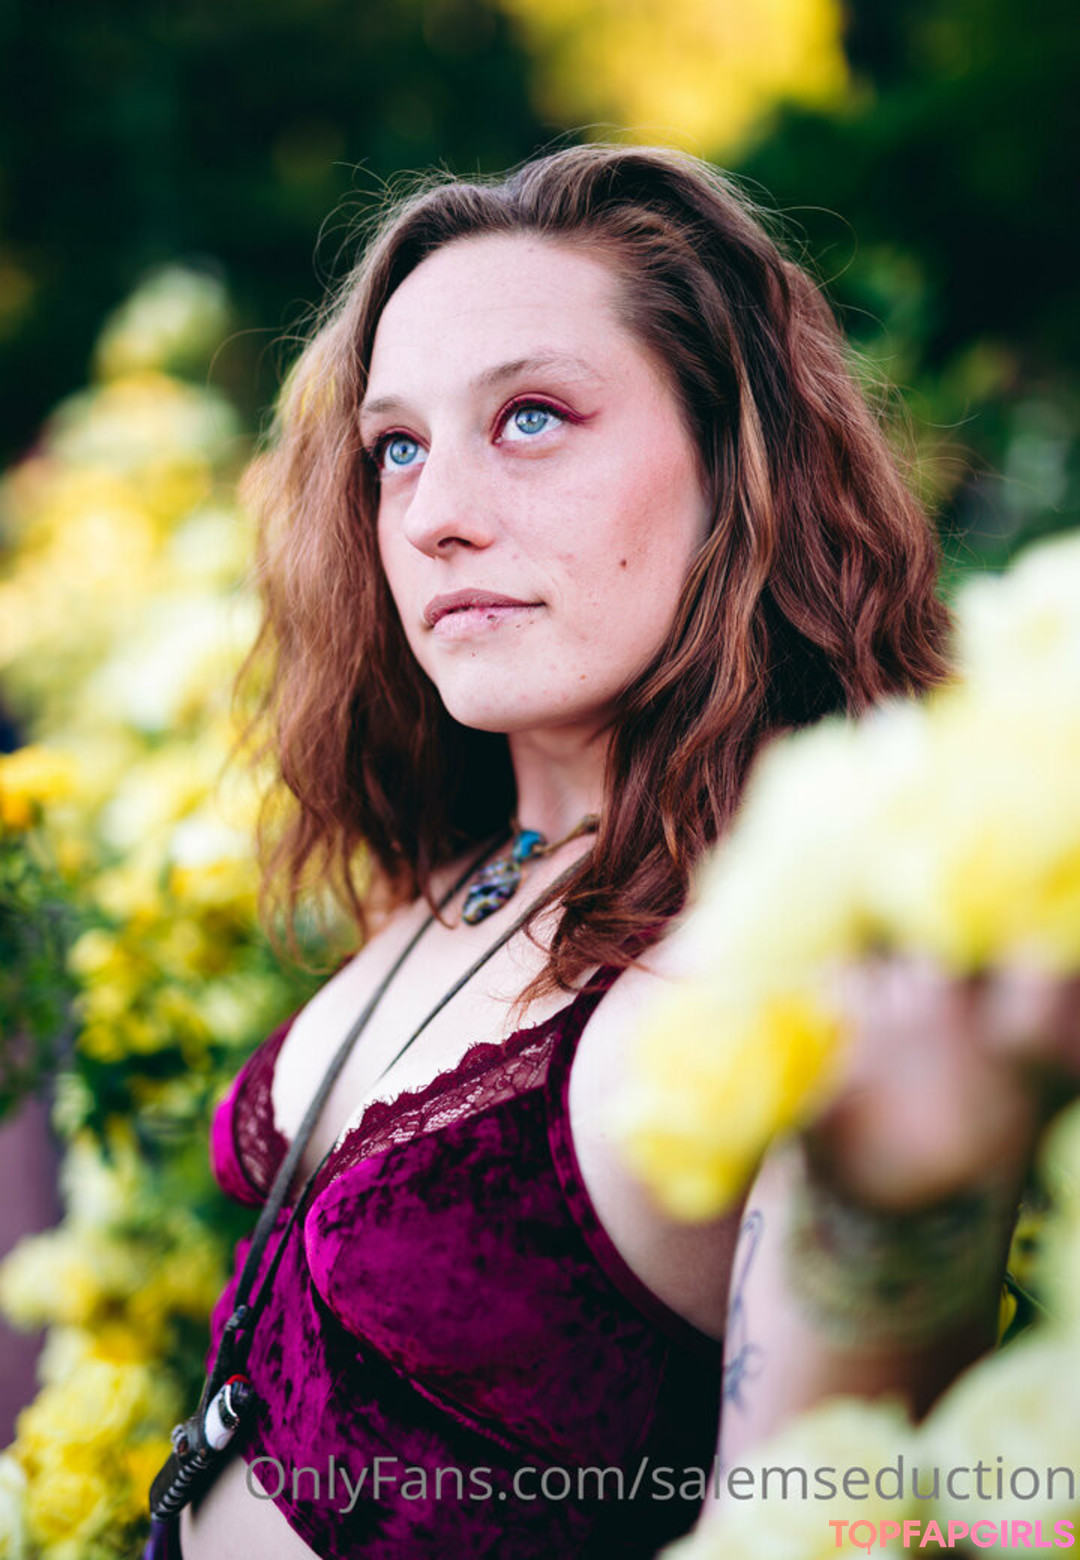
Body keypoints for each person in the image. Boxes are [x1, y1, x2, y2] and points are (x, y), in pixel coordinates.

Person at [150, 143, 1076, 1560]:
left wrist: (898, 1214)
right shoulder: (472, 857)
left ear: (737, 459)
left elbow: (818, 1523)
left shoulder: (820, 972)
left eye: (530, 417)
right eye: (398, 447)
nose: (433, 515)